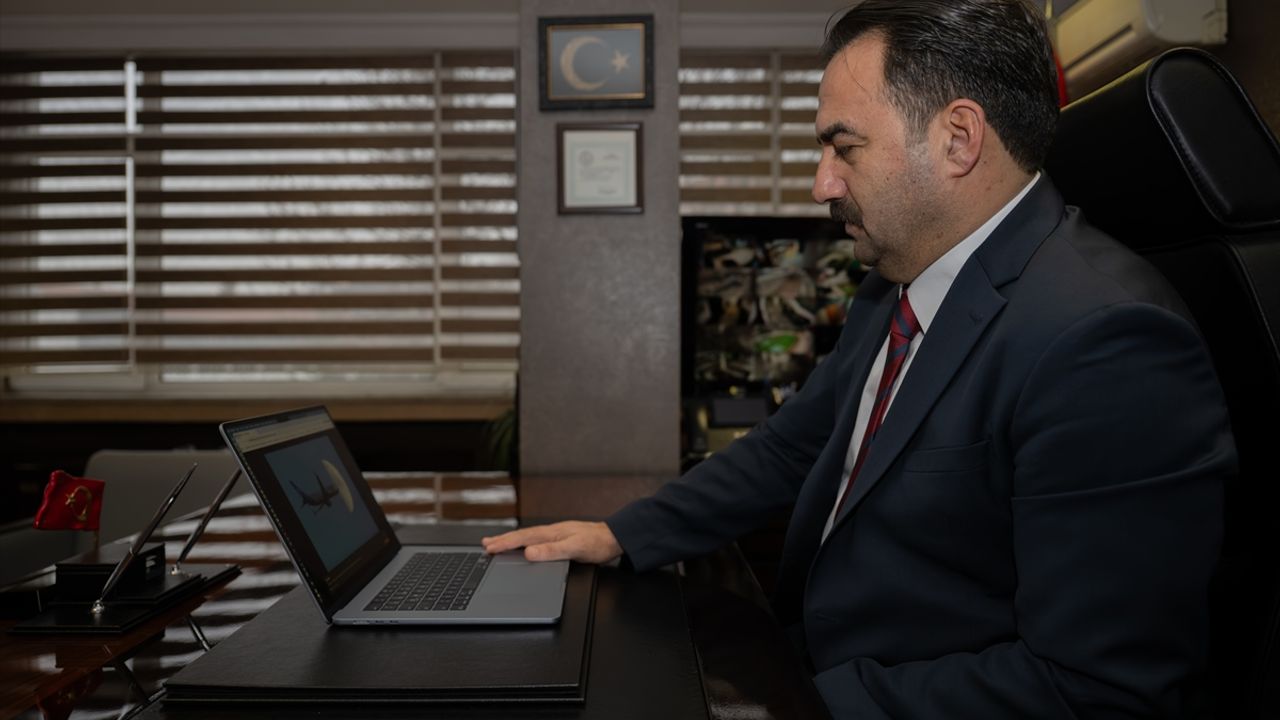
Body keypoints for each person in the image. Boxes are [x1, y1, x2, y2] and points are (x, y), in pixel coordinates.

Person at [484, 0, 1236, 716]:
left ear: (959, 139)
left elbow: (1093, 690)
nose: (822, 184)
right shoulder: (894, 287)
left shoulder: (1106, 344)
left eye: (845, 147)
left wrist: (792, 706)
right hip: (813, 660)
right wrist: (624, 535)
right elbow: (791, 446)